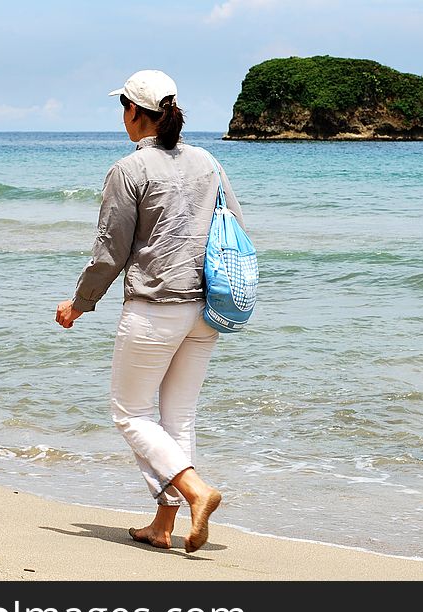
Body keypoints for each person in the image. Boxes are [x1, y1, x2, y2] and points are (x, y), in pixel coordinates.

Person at [55, 70, 245, 553]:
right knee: (177, 418)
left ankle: (197, 490)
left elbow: (110, 253)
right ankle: (163, 526)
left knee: (131, 413)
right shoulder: (208, 162)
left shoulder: (129, 170)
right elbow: (235, 228)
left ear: (135, 112)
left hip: (156, 308)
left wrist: (79, 304)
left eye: (124, 108)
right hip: (206, 310)